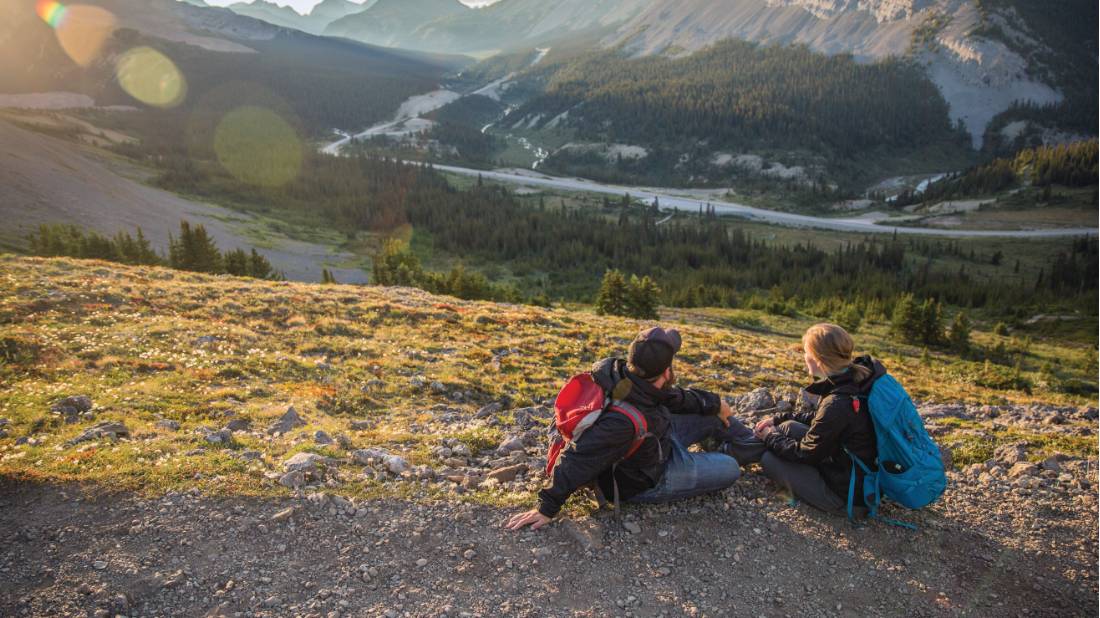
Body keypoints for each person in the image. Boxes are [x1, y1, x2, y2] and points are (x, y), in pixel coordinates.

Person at [506, 326, 764, 531]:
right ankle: (742, 453)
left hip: (652, 439)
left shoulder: (623, 375)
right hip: (645, 477)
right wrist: (547, 507)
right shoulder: (622, 421)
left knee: (712, 414)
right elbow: (578, 456)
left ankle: (756, 447)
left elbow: (671, 398)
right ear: (665, 372)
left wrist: (713, 402)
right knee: (729, 470)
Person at [754, 323, 882, 515]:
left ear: (818, 359)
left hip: (847, 496)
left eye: (806, 352)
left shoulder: (837, 403)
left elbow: (805, 454)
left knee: (769, 460)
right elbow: (822, 420)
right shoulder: (857, 380)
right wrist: (779, 419)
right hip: (851, 467)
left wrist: (770, 437)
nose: (804, 357)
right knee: (788, 426)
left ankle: (739, 450)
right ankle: (744, 447)